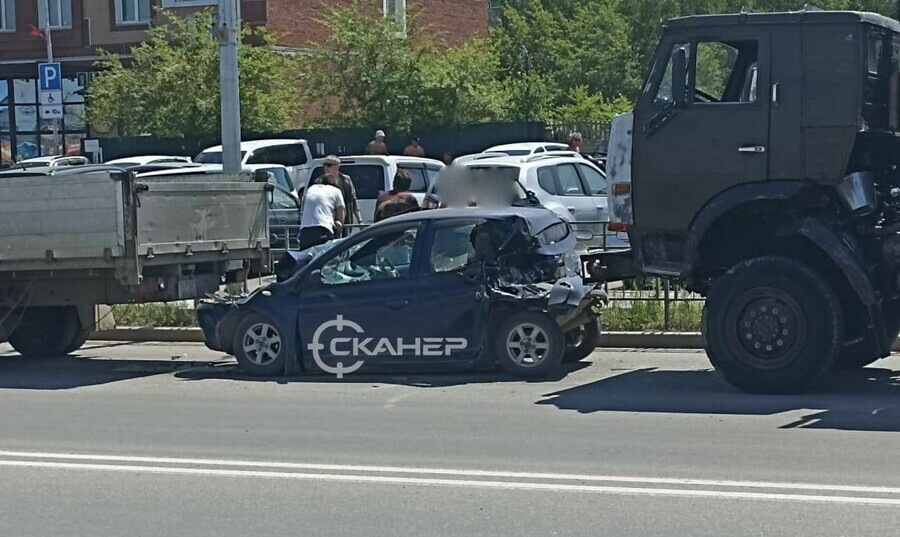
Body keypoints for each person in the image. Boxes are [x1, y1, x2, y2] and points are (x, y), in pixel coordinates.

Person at [313, 155, 363, 236]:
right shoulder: (319, 182)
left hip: (346, 222)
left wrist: (360, 220)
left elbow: (353, 200)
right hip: (328, 223)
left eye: (329, 165)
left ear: (337, 167)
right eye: (324, 165)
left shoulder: (346, 180)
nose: (326, 168)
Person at [298, 173, 345, 250]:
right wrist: (337, 222)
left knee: (307, 259)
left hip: (305, 231)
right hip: (323, 229)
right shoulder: (336, 191)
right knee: (325, 259)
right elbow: (341, 214)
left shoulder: (311, 189)